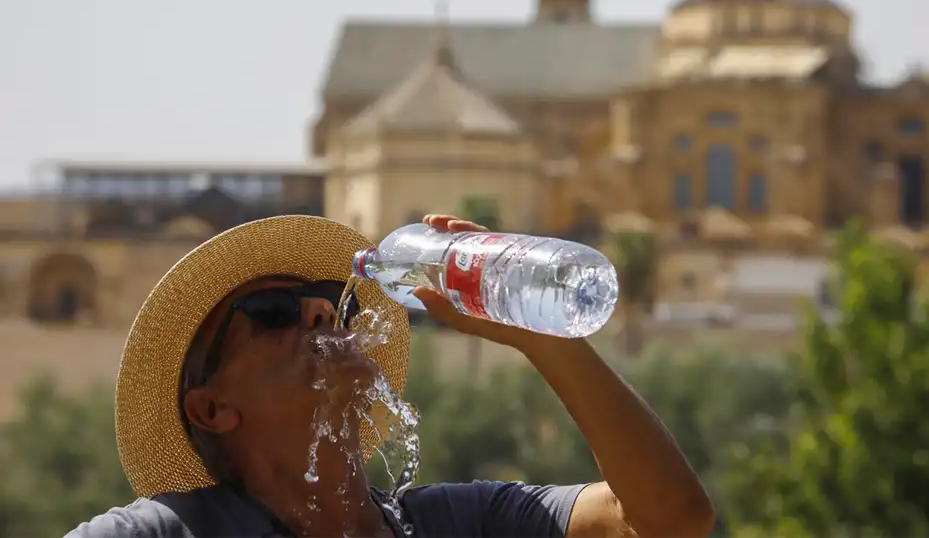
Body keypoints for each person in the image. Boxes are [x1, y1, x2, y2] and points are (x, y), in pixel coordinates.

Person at [66, 214, 714, 538]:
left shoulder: (451, 523)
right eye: (271, 312)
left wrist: (544, 339)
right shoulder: (169, 532)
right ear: (212, 409)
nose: (322, 312)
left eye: (329, 299)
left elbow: (667, 521)